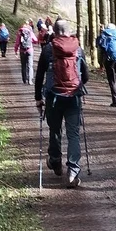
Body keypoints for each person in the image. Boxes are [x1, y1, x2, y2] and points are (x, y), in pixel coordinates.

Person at [35, 19, 91, 188]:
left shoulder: (47, 50)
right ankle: (73, 172)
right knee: (73, 134)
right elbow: (86, 76)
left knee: (55, 129)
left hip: (53, 96)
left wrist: (38, 98)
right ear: (69, 31)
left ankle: (55, 159)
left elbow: (39, 77)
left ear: (55, 32)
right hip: (73, 97)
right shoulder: (78, 49)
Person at [14, 21, 38, 85]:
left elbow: (17, 43)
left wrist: (15, 50)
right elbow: (35, 40)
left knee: (23, 65)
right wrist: (32, 42)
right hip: (29, 50)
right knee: (30, 66)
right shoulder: (30, 32)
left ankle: (24, 80)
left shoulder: (20, 33)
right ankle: (30, 80)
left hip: (22, 51)